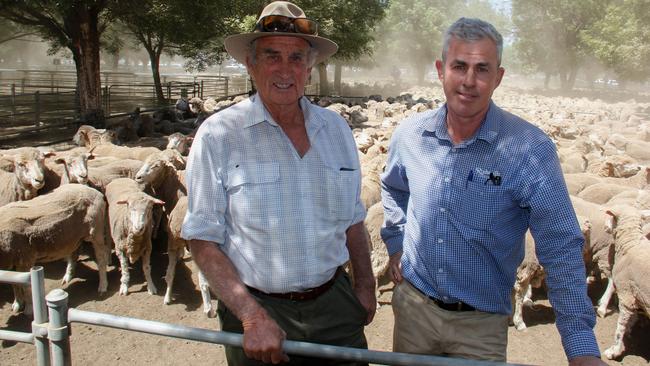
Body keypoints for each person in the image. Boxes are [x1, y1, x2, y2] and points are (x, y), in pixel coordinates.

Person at [380, 17, 607, 366]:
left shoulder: (529, 150)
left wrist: (581, 347)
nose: (469, 81)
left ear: (498, 77)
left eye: (482, 69)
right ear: (441, 70)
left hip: (481, 325)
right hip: (413, 311)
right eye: (459, 66)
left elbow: (561, 244)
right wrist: (397, 242)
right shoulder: (410, 136)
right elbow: (393, 187)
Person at [181, 2, 376, 365]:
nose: (285, 70)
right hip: (258, 311)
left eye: (297, 58)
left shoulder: (336, 131)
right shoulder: (218, 135)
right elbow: (202, 237)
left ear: (310, 67)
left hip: (335, 303)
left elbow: (353, 219)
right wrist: (251, 316)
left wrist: (364, 287)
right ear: (250, 64)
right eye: (272, 56)